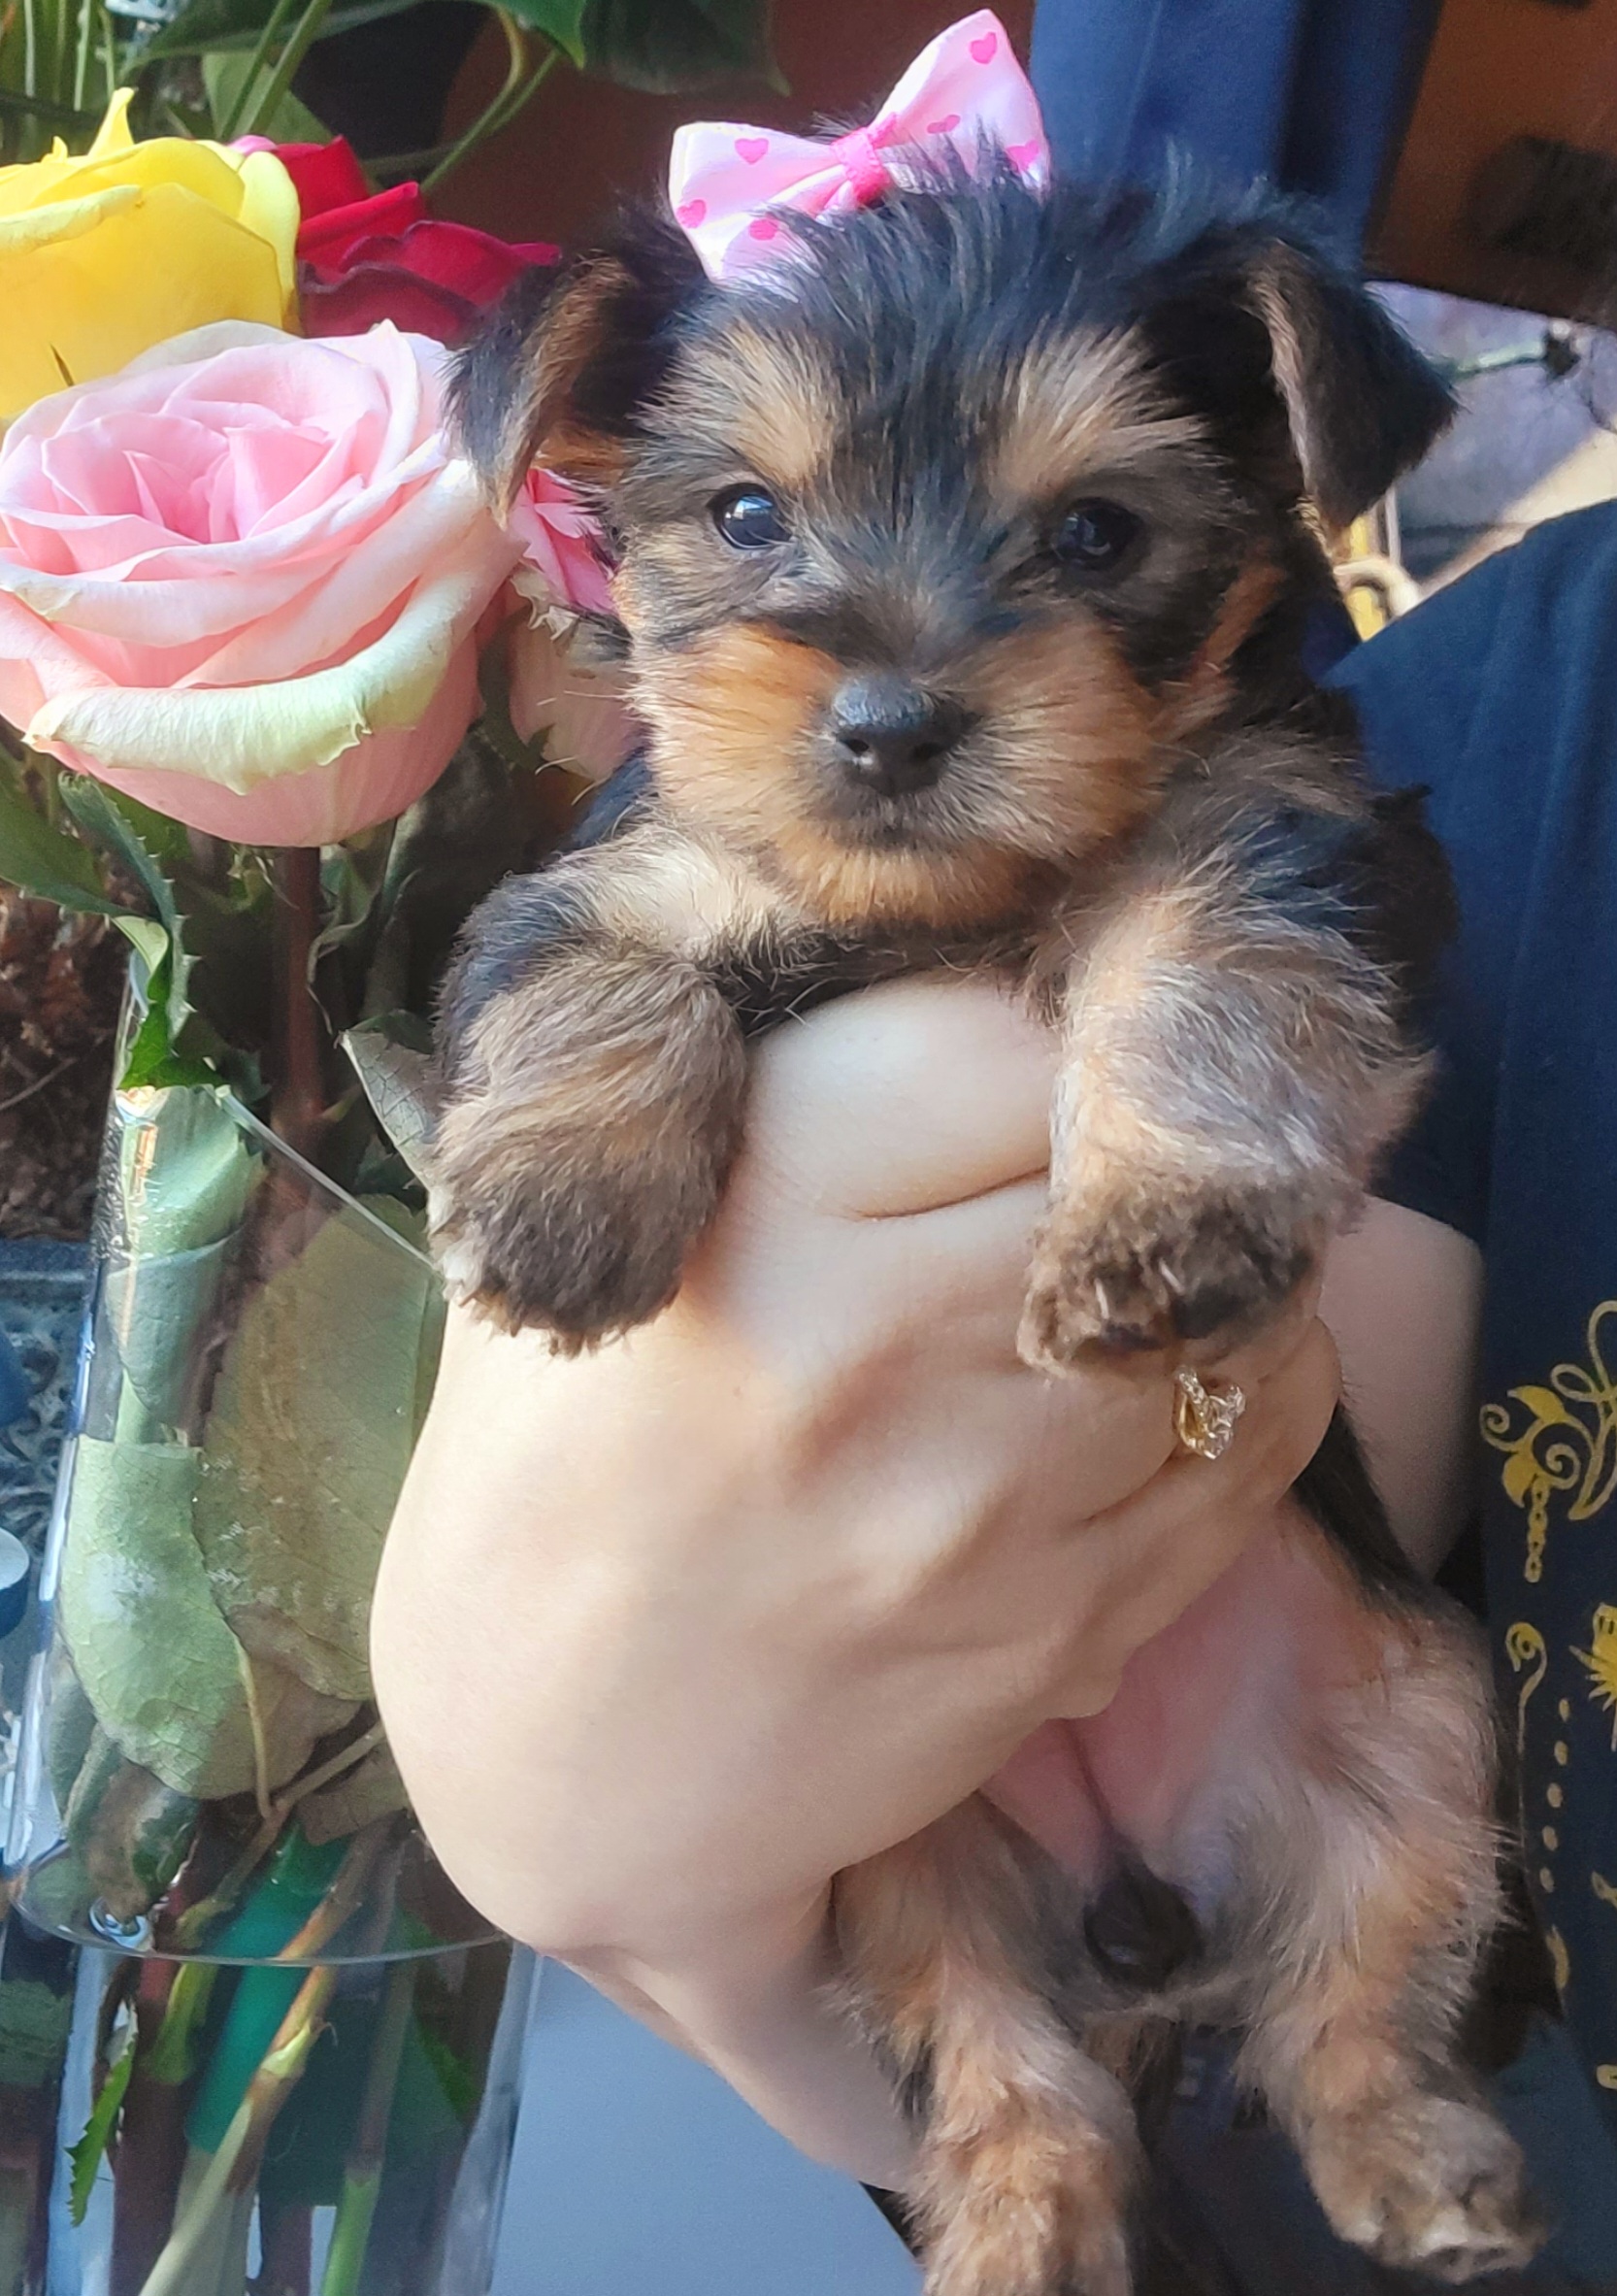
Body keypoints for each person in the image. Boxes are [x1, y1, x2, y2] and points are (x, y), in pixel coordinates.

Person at [375, 501, 1617, 2284]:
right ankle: (1013, 2157)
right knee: (942, 1891)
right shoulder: (1523, 715)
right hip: (999, 1780)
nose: (899, 678)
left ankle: (1359, 2081)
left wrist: (1190, 1226)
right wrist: (557, 1767)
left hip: (1285, 1783)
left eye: (1100, 536)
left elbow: (1256, 937)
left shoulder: (1330, 781)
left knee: (1416, 1736)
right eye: (748, 523)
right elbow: (1334, 1400)